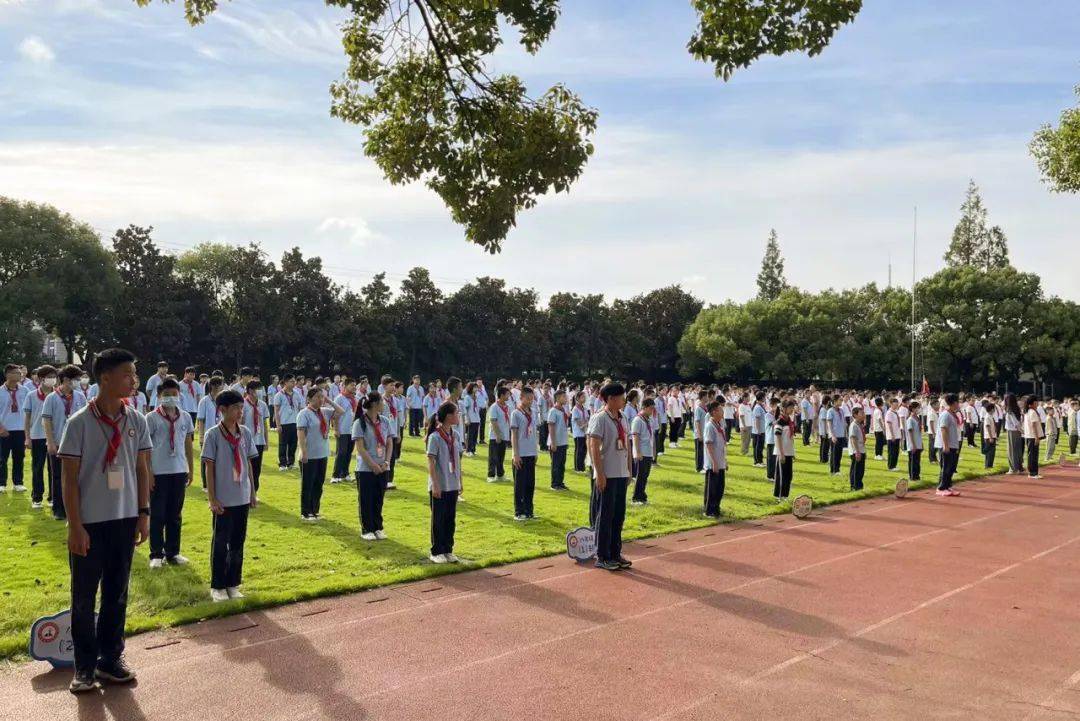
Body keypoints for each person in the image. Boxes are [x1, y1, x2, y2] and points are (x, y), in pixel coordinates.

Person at [59, 348, 152, 693]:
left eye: (134, 374)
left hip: (124, 519)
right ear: (105, 378)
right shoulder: (79, 422)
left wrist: (143, 514)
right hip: (90, 523)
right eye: (127, 374)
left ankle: (110, 659)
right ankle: (83, 667)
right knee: (83, 597)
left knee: (117, 593)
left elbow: (142, 469)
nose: (133, 380)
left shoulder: (137, 420)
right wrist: (75, 525)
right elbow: (69, 479)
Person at [202, 389, 259, 603]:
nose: (240, 412)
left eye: (241, 408)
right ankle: (218, 585)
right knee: (220, 542)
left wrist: (252, 492)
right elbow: (209, 467)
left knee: (237, 542)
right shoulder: (213, 435)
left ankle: (233, 583)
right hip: (223, 499)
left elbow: (249, 464)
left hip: (242, 496)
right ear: (222, 410)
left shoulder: (245, 433)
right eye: (235, 408)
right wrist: (212, 498)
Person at [145, 378, 195, 569]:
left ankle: (173, 552)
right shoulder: (151, 418)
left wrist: (190, 469)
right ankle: (156, 554)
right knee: (157, 514)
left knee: (175, 514)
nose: (171, 398)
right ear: (158, 396)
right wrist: (149, 472)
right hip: (159, 472)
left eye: (174, 394)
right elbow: (145, 449)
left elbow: (188, 443)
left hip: (179, 470)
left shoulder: (185, 417)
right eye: (166, 395)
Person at [588, 383, 632, 570]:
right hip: (607, 473)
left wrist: (629, 470)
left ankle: (615, 552)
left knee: (618, 515)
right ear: (611, 399)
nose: (624, 400)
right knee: (605, 515)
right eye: (621, 397)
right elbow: (593, 446)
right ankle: (602, 555)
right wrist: (599, 473)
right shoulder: (600, 418)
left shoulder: (622, 418)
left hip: (621, 472)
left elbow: (627, 446)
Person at [42, 365, 88, 520]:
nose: (78, 382)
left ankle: (76, 509)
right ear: (66, 380)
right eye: (76, 379)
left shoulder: (80, 396)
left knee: (78, 477)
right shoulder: (52, 398)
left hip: (77, 443)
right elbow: (47, 420)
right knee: (58, 477)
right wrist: (50, 442)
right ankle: (59, 509)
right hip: (58, 442)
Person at [296, 386, 342, 521]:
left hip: (322, 453)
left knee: (319, 484)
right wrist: (304, 452)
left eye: (322, 397)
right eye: (317, 397)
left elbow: (340, 411)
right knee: (308, 484)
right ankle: (306, 512)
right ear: (309, 399)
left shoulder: (324, 412)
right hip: (309, 455)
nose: (320, 399)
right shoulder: (304, 414)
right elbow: (301, 434)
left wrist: (329, 400)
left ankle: (315, 510)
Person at [353, 391, 393, 540]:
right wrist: (373, 465)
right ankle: (367, 529)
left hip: (383, 466)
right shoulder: (359, 423)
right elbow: (360, 448)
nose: (383, 405)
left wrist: (387, 462)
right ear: (375, 404)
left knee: (378, 498)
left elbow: (389, 443)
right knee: (366, 499)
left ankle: (377, 527)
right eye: (381, 402)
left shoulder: (385, 421)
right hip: (365, 468)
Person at [426, 401, 463, 564]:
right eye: (456, 413)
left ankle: (448, 549)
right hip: (440, 484)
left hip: (453, 484)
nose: (458, 416)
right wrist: (435, 484)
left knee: (450, 518)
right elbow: (431, 461)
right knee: (439, 518)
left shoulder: (456, 436)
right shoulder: (435, 437)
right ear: (448, 416)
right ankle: (436, 550)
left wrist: (460, 481)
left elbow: (458, 460)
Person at [23, 364, 57, 508]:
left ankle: (52, 497)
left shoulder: (57, 395)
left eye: (54, 377)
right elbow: (27, 418)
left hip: (55, 437)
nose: (52, 380)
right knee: (37, 468)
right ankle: (37, 497)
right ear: (41, 379)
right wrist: (27, 437)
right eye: (49, 377)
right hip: (37, 436)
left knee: (53, 469)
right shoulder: (31, 395)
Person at [510, 386, 539, 520]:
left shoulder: (533, 411)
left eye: (532, 398)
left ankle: (529, 510)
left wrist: (536, 451)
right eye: (528, 398)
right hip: (520, 453)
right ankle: (519, 511)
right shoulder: (516, 413)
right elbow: (514, 435)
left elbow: (534, 432)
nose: (530, 401)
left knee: (530, 483)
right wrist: (515, 454)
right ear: (521, 398)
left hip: (531, 452)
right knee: (520, 484)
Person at [0, 363, 29, 493]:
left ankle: (18, 482)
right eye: (16, 373)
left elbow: (29, 411)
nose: (20, 374)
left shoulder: (25, 390)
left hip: (20, 429)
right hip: (4, 429)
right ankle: (1, 483)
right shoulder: (0, 391)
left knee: (19, 457)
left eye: (20, 373)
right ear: (7, 374)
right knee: (2, 458)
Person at [242, 379, 270, 493]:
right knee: (247, 467)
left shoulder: (262, 405)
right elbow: (240, 423)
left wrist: (266, 441)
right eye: (257, 389)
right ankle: (246, 491)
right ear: (250, 391)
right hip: (247, 441)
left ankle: (254, 491)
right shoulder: (243, 404)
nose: (259, 392)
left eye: (260, 389)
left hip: (259, 440)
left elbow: (264, 423)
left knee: (257, 468)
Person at [273, 374, 303, 471]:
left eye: (294, 381)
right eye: (292, 381)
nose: (294, 383)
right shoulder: (279, 395)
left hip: (295, 422)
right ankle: (282, 463)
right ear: (285, 382)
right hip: (284, 423)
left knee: (293, 444)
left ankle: (291, 462)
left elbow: (300, 407)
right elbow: (276, 411)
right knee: (283, 444)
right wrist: (278, 425)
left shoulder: (297, 393)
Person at [331, 378, 359, 483]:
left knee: (348, 453)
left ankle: (345, 473)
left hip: (352, 430)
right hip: (342, 430)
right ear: (345, 386)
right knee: (341, 452)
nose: (354, 387)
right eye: (352, 385)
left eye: (355, 385)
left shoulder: (354, 399)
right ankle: (335, 475)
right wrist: (336, 429)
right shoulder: (339, 398)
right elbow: (335, 416)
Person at [630, 397, 656, 505]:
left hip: (648, 451)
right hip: (642, 452)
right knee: (640, 475)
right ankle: (636, 497)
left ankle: (642, 495)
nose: (652, 411)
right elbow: (635, 436)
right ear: (644, 407)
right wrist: (637, 452)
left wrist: (653, 451)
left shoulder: (649, 419)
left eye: (653, 409)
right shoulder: (638, 420)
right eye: (650, 409)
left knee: (645, 475)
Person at [937, 393, 962, 496]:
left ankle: (948, 486)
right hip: (947, 445)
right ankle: (941, 488)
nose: (959, 404)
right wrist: (945, 445)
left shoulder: (952, 414)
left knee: (951, 467)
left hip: (953, 444)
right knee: (946, 467)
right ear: (954, 403)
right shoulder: (945, 414)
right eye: (958, 402)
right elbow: (943, 429)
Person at [486, 385, 512, 483]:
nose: (508, 396)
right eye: (507, 394)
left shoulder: (507, 407)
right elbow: (493, 421)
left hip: (504, 435)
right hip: (495, 436)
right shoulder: (494, 407)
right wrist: (497, 435)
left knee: (501, 456)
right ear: (501, 395)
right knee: (493, 456)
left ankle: (500, 475)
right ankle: (491, 475)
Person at [772, 399, 796, 501]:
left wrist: (792, 452)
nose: (792, 409)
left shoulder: (789, 421)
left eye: (792, 407)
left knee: (788, 475)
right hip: (782, 452)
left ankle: (785, 495)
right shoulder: (779, 421)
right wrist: (781, 453)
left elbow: (790, 438)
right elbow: (777, 438)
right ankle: (779, 496)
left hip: (789, 451)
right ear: (784, 409)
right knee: (781, 476)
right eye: (790, 407)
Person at [547, 388, 570, 490]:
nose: (566, 398)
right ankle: (555, 484)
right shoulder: (553, 411)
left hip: (563, 441)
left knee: (562, 464)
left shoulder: (562, 410)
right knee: (556, 464)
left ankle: (560, 482)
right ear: (557, 398)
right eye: (564, 397)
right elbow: (551, 426)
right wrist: (553, 442)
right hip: (556, 442)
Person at [1022, 395, 1044, 479]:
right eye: (1036, 402)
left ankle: (1033, 472)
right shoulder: (1032, 412)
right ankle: (1032, 473)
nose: (1037, 403)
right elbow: (1033, 425)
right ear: (1033, 403)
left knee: (1032, 454)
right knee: (1033, 455)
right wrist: (1036, 437)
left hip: (1029, 436)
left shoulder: (1028, 411)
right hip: (1032, 436)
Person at [847, 406, 866, 491]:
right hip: (856, 450)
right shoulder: (854, 425)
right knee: (856, 469)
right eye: (861, 413)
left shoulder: (860, 424)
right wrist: (857, 451)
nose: (863, 415)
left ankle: (859, 485)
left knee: (860, 470)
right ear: (855, 415)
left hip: (861, 449)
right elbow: (853, 438)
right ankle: (854, 486)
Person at [1004, 392, 1023, 475]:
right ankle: (1019, 467)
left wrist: (1021, 430)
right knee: (1017, 449)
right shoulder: (1016, 409)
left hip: (1012, 431)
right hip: (1017, 431)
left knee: (1012, 450)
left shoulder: (1010, 411)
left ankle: (1013, 469)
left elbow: (1015, 423)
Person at [571, 390, 590, 473]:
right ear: (578, 398)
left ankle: (582, 467)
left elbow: (587, 419)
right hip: (578, 433)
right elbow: (580, 423)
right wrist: (586, 424)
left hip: (584, 433)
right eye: (582, 397)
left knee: (584, 450)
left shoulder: (584, 408)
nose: (584, 398)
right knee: (579, 450)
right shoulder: (575, 409)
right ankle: (578, 468)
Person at [827, 396, 846, 475]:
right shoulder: (830, 411)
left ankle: (837, 469)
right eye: (840, 400)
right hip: (834, 435)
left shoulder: (841, 410)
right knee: (834, 453)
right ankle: (834, 470)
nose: (841, 402)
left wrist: (845, 433)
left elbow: (843, 422)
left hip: (841, 434)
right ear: (834, 401)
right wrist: (833, 435)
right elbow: (829, 423)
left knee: (839, 453)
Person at [905, 400, 923, 482]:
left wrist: (921, 443)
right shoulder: (910, 419)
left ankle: (917, 475)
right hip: (913, 444)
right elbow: (910, 432)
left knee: (917, 461)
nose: (918, 409)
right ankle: (913, 476)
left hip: (918, 442)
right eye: (917, 408)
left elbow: (919, 432)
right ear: (912, 409)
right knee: (913, 461)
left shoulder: (918, 418)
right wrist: (913, 445)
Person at [462, 382, 481, 456]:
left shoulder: (476, 397)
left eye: (476, 387)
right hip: (471, 418)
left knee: (475, 435)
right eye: (474, 387)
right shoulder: (467, 397)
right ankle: (468, 450)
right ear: (471, 388)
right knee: (470, 435)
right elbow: (465, 409)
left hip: (476, 418)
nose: (476, 389)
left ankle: (473, 450)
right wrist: (467, 418)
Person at [884, 398, 901, 471]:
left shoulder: (896, 412)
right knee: (892, 451)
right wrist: (892, 435)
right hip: (892, 435)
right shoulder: (889, 413)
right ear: (891, 404)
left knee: (896, 451)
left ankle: (894, 465)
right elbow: (889, 424)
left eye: (897, 403)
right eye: (895, 403)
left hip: (897, 434)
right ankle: (891, 466)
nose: (897, 404)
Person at [750, 391, 767, 467]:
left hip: (761, 430)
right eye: (764, 397)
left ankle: (760, 461)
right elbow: (757, 419)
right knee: (758, 447)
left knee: (760, 446)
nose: (765, 398)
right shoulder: (757, 407)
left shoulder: (760, 406)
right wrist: (758, 430)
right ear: (762, 397)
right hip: (758, 431)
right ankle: (757, 462)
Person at [982, 399, 998, 468]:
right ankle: (988, 465)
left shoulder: (990, 416)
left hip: (992, 436)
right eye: (993, 409)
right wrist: (991, 437)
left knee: (992, 451)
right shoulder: (987, 416)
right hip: (989, 437)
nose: (994, 410)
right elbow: (987, 427)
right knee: (990, 452)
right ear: (991, 409)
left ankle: (989, 465)